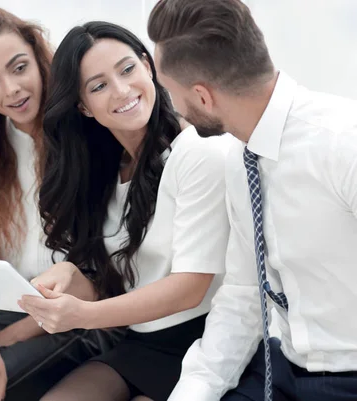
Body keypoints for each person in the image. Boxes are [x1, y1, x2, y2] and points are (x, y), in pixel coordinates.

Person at [146, 1, 357, 400]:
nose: (171, 106)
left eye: (169, 92)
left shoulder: (343, 143)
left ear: (203, 97)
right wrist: (196, 388)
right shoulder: (239, 159)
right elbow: (244, 293)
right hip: (281, 370)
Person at [18, 21, 231, 401]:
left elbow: (190, 289)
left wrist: (80, 316)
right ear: (83, 106)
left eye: (127, 69)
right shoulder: (105, 173)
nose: (121, 90)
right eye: (98, 86)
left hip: (205, 338)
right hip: (141, 340)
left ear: (148, 67)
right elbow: (114, 287)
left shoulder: (196, 152)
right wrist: (69, 275)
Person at [0, 8, 122, 401]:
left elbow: (96, 272)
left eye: (19, 67)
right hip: (13, 308)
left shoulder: (85, 132)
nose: (10, 89)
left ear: (40, 59)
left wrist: (2, 339)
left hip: (76, 315)